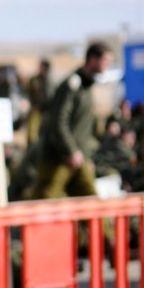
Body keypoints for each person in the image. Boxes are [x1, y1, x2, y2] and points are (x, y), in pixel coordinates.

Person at [31, 42, 113, 199]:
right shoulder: (72, 85)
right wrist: (71, 150)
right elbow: (58, 122)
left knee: (93, 207)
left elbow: (82, 128)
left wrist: (86, 155)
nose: (108, 65)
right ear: (92, 59)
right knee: (45, 204)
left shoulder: (86, 86)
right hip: (60, 158)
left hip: (80, 158)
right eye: (105, 61)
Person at [25, 59, 52, 146]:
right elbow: (28, 93)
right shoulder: (35, 80)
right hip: (36, 110)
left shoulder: (51, 81)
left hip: (48, 112)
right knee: (32, 134)